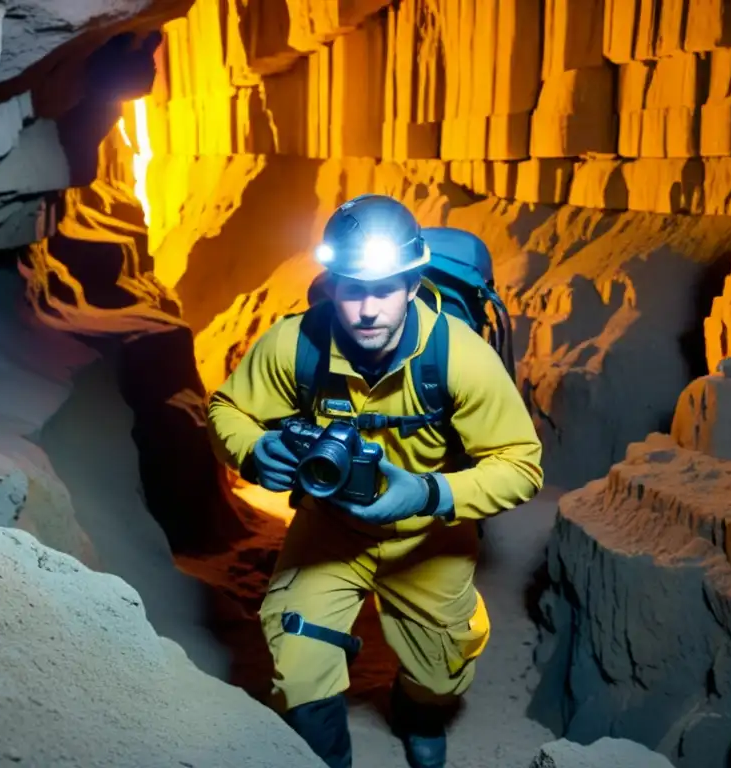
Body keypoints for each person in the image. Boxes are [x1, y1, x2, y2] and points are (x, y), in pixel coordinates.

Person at [206, 194, 544, 768]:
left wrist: (430, 493)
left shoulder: (458, 357)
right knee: (297, 654)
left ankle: (416, 712)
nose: (368, 309)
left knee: (442, 672)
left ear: (412, 285)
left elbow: (522, 464)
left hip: (427, 533)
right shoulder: (296, 343)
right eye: (353, 288)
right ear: (332, 285)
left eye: (385, 289)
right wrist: (256, 451)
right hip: (329, 525)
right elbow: (228, 410)